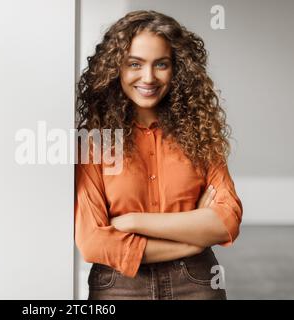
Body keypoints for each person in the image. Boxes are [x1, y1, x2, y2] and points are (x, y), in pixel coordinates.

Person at [74, 10, 243, 300]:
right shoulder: (95, 141)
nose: (148, 77)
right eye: (135, 64)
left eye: (161, 64)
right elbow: (93, 242)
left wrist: (132, 222)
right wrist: (191, 243)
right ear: (116, 68)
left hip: (196, 282)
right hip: (119, 286)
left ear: (177, 69)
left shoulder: (200, 133)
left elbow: (226, 221)